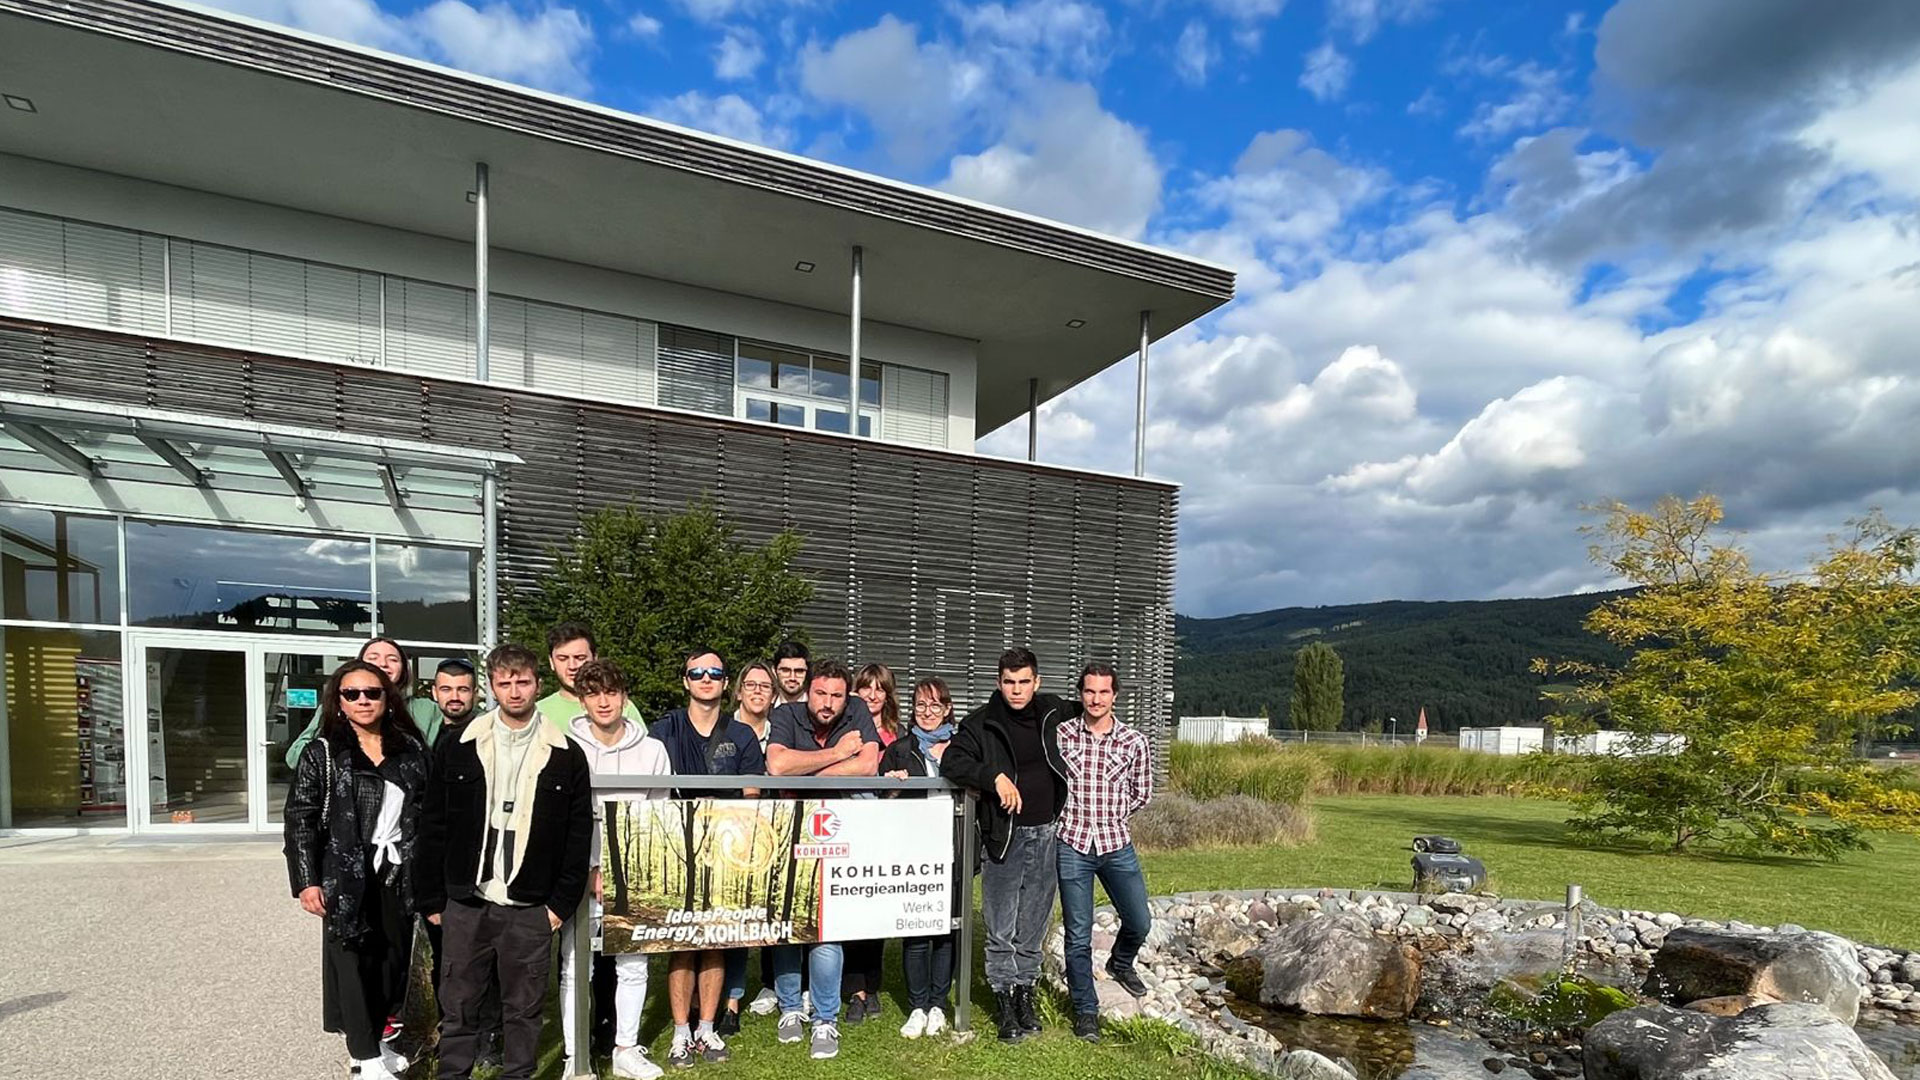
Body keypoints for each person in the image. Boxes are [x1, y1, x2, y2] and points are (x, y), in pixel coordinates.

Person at [416, 643, 595, 1080]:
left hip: (531, 906)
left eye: (523, 682)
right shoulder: (458, 745)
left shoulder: (566, 753)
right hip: (467, 899)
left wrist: (559, 905)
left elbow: (577, 836)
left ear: (538, 683)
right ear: (491, 687)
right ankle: (452, 1074)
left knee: (524, 1009)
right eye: (505, 683)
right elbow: (433, 824)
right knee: (458, 1005)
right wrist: (434, 898)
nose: (514, 691)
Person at [283, 659, 429, 1080]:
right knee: (352, 962)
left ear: (388, 697)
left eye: (373, 692)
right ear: (339, 702)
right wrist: (306, 881)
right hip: (345, 874)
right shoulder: (324, 752)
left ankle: (379, 1042)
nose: (363, 700)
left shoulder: (410, 748)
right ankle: (363, 1056)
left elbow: (429, 810)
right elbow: (300, 819)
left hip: (397, 870)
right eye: (352, 694)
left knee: (391, 960)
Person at [940, 646, 1080, 1043]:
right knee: (1001, 926)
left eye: (1023, 682)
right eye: (1008, 682)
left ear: (1036, 683)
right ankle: (1003, 999)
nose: (1016, 690)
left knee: (1032, 925)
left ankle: (1025, 993)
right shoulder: (981, 723)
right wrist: (993, 777)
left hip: (1047, 833)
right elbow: (953, 763)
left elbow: (1092, 708)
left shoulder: (1054, 712)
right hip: (1006, 837)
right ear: (999, 683)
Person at [650, 650, 766, 1067]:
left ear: (724, 681)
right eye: (697, 673)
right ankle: (681, 1032)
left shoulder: (743, 735)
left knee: (716, 941)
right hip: (676, 849)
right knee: (682, 942)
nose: (705, 679)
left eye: (714, 673)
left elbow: (752, 794)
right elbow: (650, 791)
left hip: (726, 848)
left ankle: (707, 1028)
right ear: (685, 680)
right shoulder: (664, 730)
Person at [558, 659, 669, 1080]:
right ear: (582, 699)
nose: (603, 702)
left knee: (634, 964)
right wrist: (587, 870)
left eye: (611, 692)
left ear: (624, 696)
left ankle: (626, 1048)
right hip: (578, 873)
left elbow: (659, 815)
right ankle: (575, 1058)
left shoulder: (653, 750)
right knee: (575, 966)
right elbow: (562, 817)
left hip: (633, 872)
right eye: (593, 693)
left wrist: (630, 870)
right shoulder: (565, 745)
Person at [765, 660, 882, 1061]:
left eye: (836, 695)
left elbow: (868, 765)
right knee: (789, 923)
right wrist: (836, 755)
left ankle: (826, 1017)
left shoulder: (858, 710)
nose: (829, 703)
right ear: (807, 692)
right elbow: (777, 765)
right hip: (787, 834)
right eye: (821, 693)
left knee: (829, 926)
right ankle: (791, 1009)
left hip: (837, 833)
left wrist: (807, 777)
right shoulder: (785, 714)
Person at [1055, 661, 1154, 1042]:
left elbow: (1141, 791)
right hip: (1073, 843)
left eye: (1103, 692)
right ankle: (1086, 1011)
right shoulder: (1063, 735)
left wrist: (1112, 814)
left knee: (1140, 921)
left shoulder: (1133, 742)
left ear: (1114, 696)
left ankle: (1121, 961)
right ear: (1081, 693)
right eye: (1089, 691)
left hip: (1115, 843)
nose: (1095, 699)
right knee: (1078, 935)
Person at [420, 657, 504, 1068]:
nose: (455, 697)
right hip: (438, 865)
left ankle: (489, 1037)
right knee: (447, 963)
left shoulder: (486, 737)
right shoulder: (424, 739)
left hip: (479, 870)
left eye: (464, 689)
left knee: (485, 962)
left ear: (476, 693)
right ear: (434, 692)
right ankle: (452, 1034)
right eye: (447, 689)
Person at [879, 676, 958, 1040]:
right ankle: (916, 1005)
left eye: (935, 706)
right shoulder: (899, 748)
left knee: (946, 930)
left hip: (955, 850)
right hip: (913, 852)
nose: (928, 713)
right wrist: (891, 785)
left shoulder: (961, 748)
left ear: (947, 709)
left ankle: (939, 1005)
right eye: (922, 705)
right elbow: (883, 797)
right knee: (915, 930)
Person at [840, 662, 904, 1024]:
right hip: (850, 824)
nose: (873, 695)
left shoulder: (899, 734)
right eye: (866, 687)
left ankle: (873, 984)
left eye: (880, 688)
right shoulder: (847, 731)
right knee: (851, 908)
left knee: (876, 907)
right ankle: (855, 991)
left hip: (885, 826)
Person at [719, 660, 777, 1037]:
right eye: (751, 685)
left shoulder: (783, 730)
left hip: (774, 832)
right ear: (738, 691)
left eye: (765, 686)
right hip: (729, 834)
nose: (757, 691)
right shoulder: (722, 730)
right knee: (733, 922)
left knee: (773, 914)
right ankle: (731, 1000)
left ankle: (777, 988)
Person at [286, 637, 442, 768]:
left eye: (393, 659)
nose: (383, 664)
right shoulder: (338, 705)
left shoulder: (426, 709)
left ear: (403, 669)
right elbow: (294, 757)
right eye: (373, 658)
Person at [536, 622, 644, 731]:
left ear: (595, 658)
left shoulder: (621, 707)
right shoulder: (538, 713)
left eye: (580, 657)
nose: (572, 666)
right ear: (551, 662)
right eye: (563, 659)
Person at [771, 640, 810, 706]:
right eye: (786, 670)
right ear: (774, 671)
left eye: (799, 671)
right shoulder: (765, 709)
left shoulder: (817, 710)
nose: (792, 678)